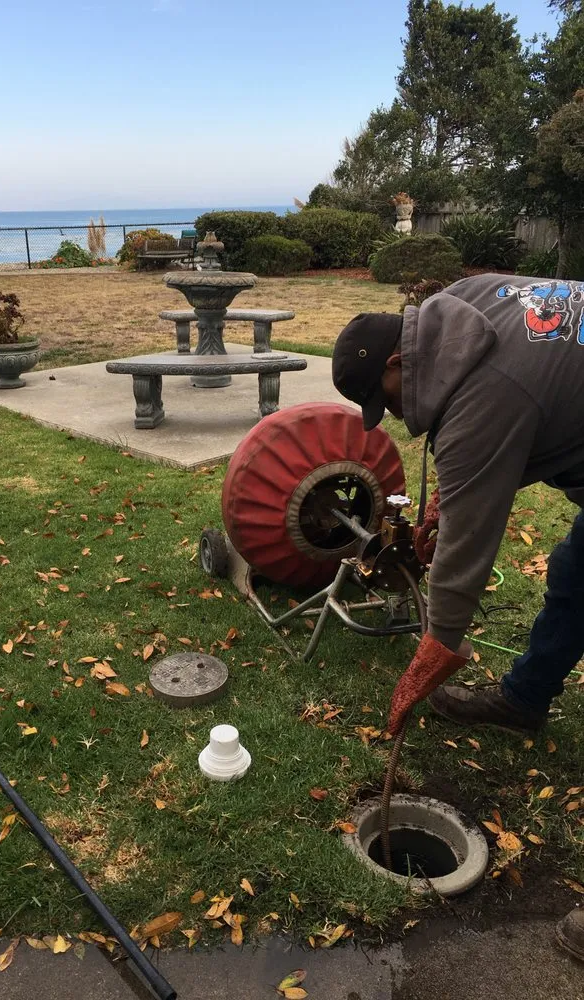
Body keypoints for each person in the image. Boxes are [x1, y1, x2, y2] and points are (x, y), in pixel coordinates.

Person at [332, 272, 584, 962]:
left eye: (380, 399)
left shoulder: (483, 399)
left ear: (396, 364)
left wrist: (432, 657)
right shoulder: (462, 302)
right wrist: (454, 487)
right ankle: (524, 700)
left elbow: (466, 559)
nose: (391, 415)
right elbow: (548, 403)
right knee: (574, 573)